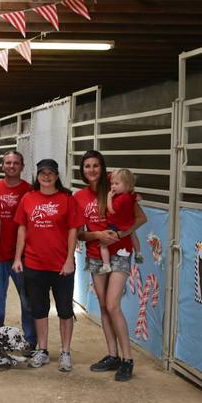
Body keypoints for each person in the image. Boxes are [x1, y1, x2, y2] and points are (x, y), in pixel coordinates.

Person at [74, 150, 147, 382]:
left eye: (96, 165)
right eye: (87, 166)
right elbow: (80, 235)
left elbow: (141, 218)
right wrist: (97, 235)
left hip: (120, 251)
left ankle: (127, 359)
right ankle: (112, 355)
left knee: (113, 304)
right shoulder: (79, 197)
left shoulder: (115, 186)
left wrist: (118, 235)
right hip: (95, 255)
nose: (92, 170)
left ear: (102, 167)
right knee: (104, 306)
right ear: (82, 170)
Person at [13, 159, 85, 372]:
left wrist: (70, 258)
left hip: (61, 265)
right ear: (37, 175)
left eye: (50, 173)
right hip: (35, 263)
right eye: (42, 173)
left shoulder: (67, 199)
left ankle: (65, 352)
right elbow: (22, 230)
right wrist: (18, 258)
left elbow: (73, 230)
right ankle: (43, 350)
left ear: (56, 175)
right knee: (39, 309)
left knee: (64, 309)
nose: (46, 177)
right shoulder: (28, 198)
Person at [0, 151, 36, 351]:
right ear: (2, 165)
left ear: (22, 166)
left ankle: (31, 341)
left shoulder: (30, 190)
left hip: (22, 257)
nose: (11, 166)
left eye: (16, 163)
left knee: (28, 302)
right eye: (7, 162)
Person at [98, 168, 144, 273]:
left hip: (116, 225)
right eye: (112, 183)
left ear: (127, 185)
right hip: (128, 223)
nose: (113, 186)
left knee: (103, 245)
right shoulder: (131, 195)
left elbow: (112, 210)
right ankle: (138, 252)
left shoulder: (120, 199)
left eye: (116, 184)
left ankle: (106, 265)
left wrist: (109, 198)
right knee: (133, 235)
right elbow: (139, 197)